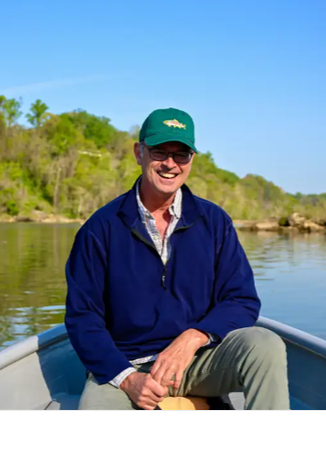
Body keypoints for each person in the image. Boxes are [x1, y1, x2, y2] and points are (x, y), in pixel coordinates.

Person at [65, 107, 290, 410]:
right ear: (138, 152)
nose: (170, 164)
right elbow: (83, 318)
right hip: (128, 367)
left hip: (198, 362)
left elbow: (241, 300)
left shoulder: (215, 222)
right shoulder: (99, 229)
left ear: (192, 160)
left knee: (265, 344)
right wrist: (128, 379)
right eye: (159, 151)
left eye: (181, 154)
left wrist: (194, 337)